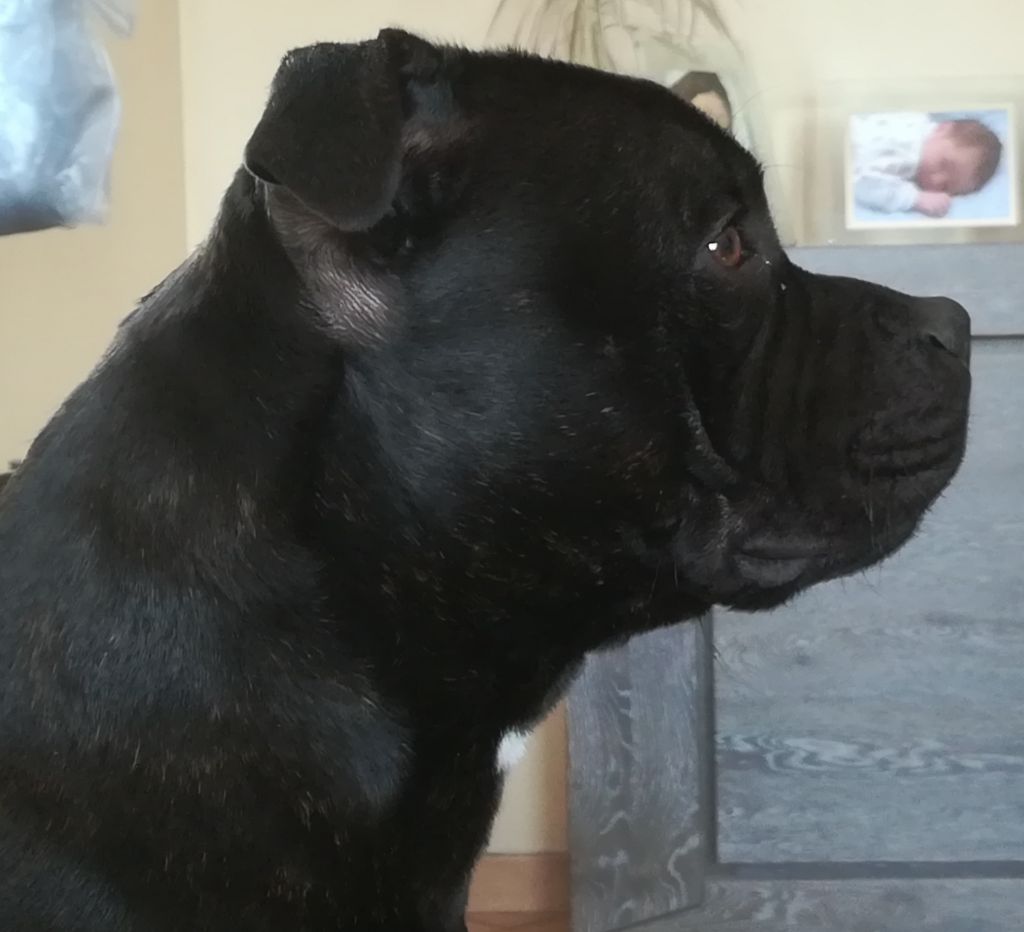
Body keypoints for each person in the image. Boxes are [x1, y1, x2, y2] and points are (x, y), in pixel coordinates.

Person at [851, 112, 1002, 218]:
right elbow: (862, 183)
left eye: (945, 187)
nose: (936, 179)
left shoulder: (916, 119)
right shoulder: (911, 150)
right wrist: (914, 199)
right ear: (942, 129)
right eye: (944, 164)